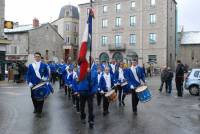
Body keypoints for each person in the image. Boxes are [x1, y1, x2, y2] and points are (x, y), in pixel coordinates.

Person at [26, 52, 50, 117]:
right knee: (33, 97)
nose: (37, 57)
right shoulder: (31, 66)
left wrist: (45, 78)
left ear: (40, 57)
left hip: (41, 84)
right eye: (36, 56)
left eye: (38, 56)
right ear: (34, 57)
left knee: (41, 97)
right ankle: (36, 108)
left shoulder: (44, 65)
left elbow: (47, 74)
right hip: (33, 84)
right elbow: (28, 75)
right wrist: (29, 82)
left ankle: (39, 111)